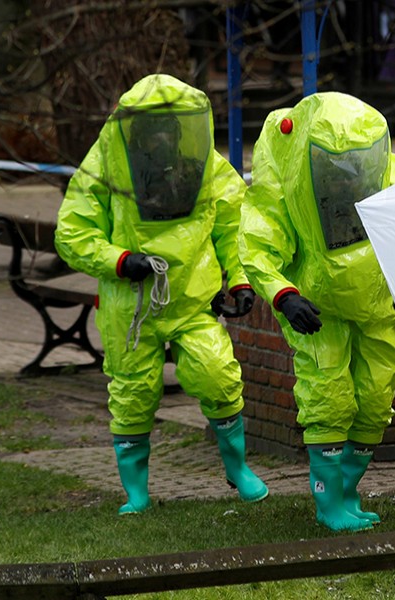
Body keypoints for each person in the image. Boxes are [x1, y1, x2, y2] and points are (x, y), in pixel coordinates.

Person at [54, 73, 268, 515]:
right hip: (130, 307)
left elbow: (234, 226)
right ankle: (137, 492)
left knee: (217, 376)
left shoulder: (205, 166)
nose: (163, 138)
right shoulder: (105, 166)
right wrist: (118, 260)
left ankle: (238, 469)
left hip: (191, 298)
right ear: (134, 130)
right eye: (154, 130)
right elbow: (72, 232)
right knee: (133, 395)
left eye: (171, 128)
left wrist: (241, 280)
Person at [239, 92, 395, 532]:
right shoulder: (289, 186)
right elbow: (256, 245)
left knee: (378, 393)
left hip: (372, 303)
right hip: (318, 308)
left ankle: (346, 492)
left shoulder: (386, 171)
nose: (346, 177)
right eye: (336, 168)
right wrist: (284, 295)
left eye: (355, 166)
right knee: (329, 395)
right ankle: (329, 504)